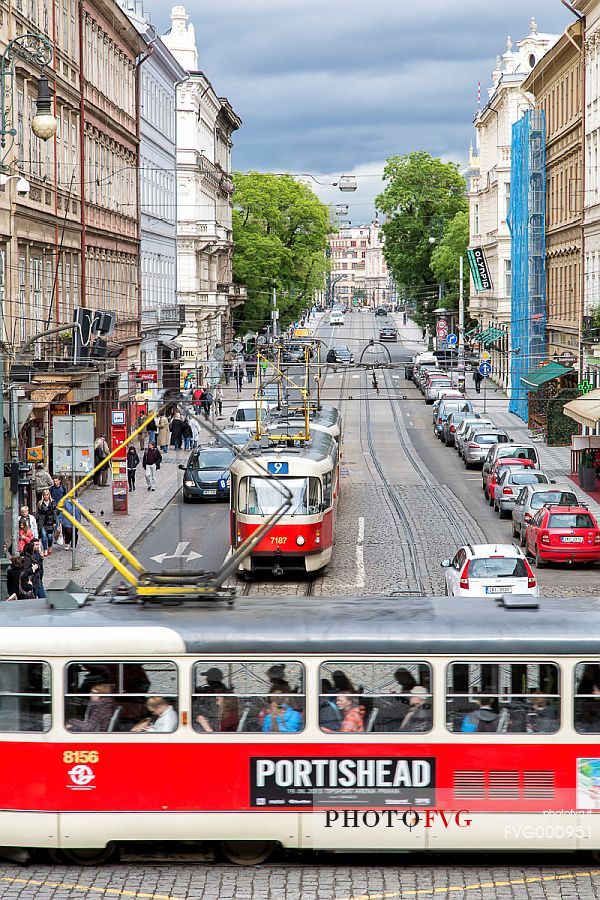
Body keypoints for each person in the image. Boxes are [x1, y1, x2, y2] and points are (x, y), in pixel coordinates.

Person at [36, 489, 56, 556]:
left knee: (50, 536)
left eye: (47, 495)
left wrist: (54, 521)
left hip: (50, 521)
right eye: (45, 495)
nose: (46, 496)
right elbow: (38, 513)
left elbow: (54, 512)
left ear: (49, 495)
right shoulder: (40, 503)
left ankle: (49, 546)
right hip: (42, 521)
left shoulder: (52, 502)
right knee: (44, 536)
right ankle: (45, 549)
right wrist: (37, 520)